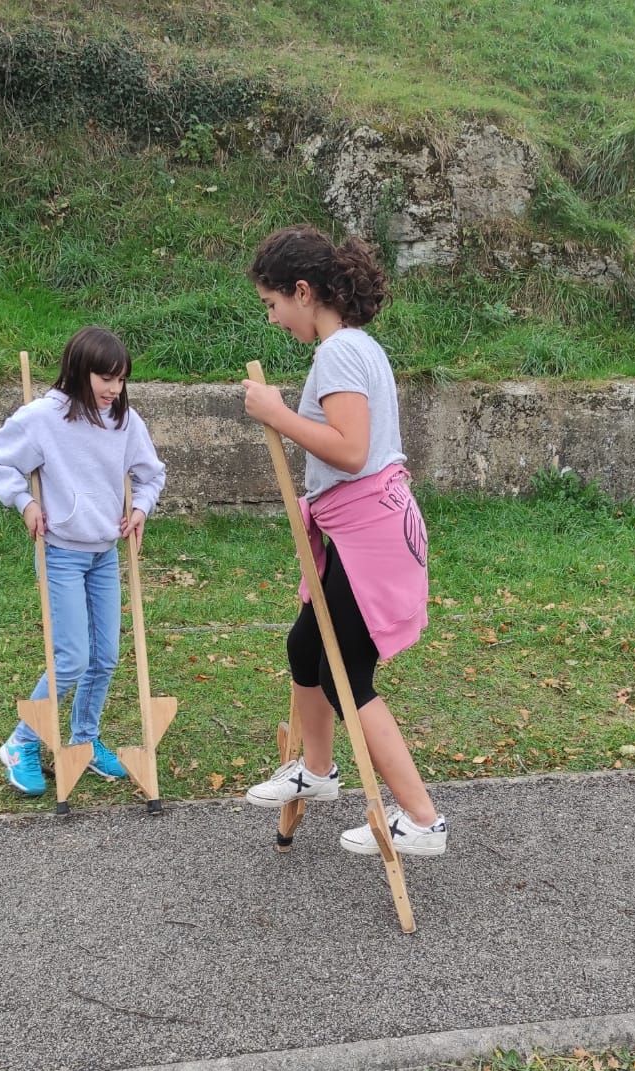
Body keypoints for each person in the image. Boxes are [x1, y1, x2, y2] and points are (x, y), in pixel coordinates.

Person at [239, 225, 448, 857]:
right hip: (360, 529)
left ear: (303, 292)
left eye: (273, 305)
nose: (274, 319)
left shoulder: (338, 353)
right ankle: (319, 770)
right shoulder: (357, 347)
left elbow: (352, 451)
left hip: (369, 535)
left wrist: (277, 414)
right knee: (306, 644)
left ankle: (421, 819)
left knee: (344, 673)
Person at [0, 326, 166, 796]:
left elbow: (150, 474)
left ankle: (83, 740)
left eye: (121, 381)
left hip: (104, 552)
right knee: (73, 657)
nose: (113, 390)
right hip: (60, 552)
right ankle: (21, 743)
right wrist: (24, 502)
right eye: (106, 379)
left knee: (105, 657)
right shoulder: (42, 418)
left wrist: (140, 508)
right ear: (80, 371)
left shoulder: (124, 420)